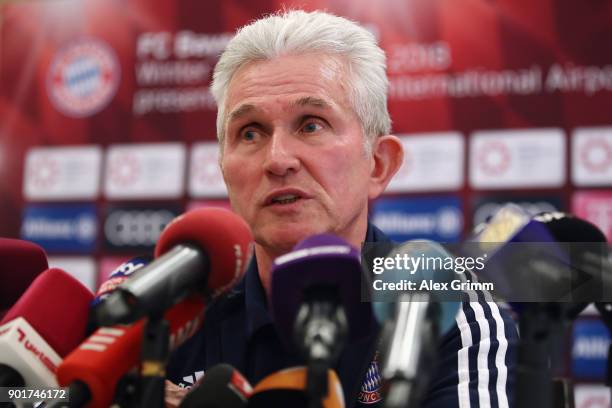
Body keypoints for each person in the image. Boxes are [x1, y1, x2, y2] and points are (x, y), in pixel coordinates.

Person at [166, 9, 518, 407]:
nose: (278, 159)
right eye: (250, 132)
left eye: (311, 125)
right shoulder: (169, 313)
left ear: (378, 164)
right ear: (223, 168)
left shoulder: (446, 310)